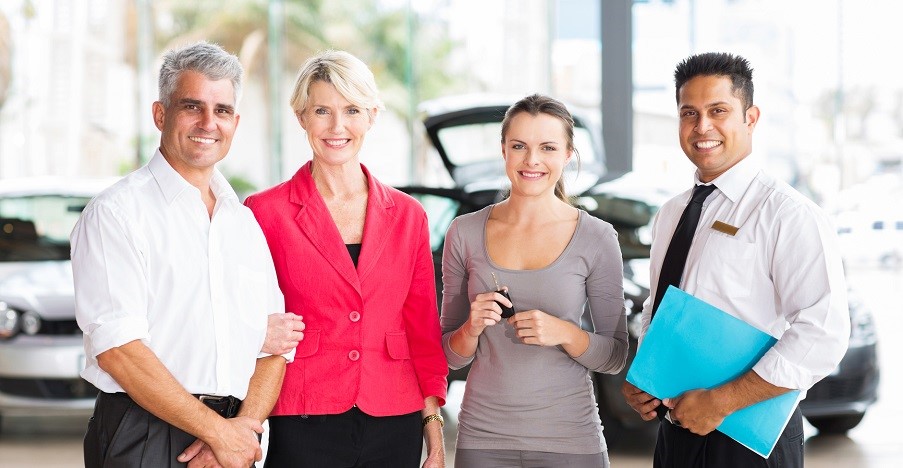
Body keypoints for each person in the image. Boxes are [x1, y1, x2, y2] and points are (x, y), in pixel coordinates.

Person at [72, 41, 299, 468]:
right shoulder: (117, 213)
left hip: (233, 434)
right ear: (161, 114)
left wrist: (239, 431)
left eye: (223, 110)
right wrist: (216, 433)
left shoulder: (243, 223)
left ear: (235, 121)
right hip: (142, 432)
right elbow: (119, 350)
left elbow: (276, 348)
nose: (208, 123)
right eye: (192, 106)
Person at [621, 52, 850, 467]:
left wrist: (722, 401)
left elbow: (823, 334)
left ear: (751, 117)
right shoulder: (672, 212)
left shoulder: (787, 213)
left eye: (718, 111)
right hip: (676, 432)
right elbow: (659, 306)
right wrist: (645, 374)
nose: (702, 126)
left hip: (747, 437)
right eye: (689, 112)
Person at [244, 50, 448, 468]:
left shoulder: (409, 215)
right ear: (301, 116)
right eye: (322, 110)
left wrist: (433, 425)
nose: (338, 127)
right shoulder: (264, 213)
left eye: (352, 110)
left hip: (394, 413)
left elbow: (422, 330)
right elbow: (242, 315)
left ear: (372, 116)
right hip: (303, 409)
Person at [440, 94, 629, 468]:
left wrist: (564, 332)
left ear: (568, 154)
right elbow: (447, 354)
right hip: (483, 437)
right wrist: (472, 327)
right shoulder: (463, 232)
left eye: (547, 147)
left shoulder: (597, 236)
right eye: (519, 146)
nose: (532, 160)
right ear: (504, 151)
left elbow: (615, 356)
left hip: (571, 438)